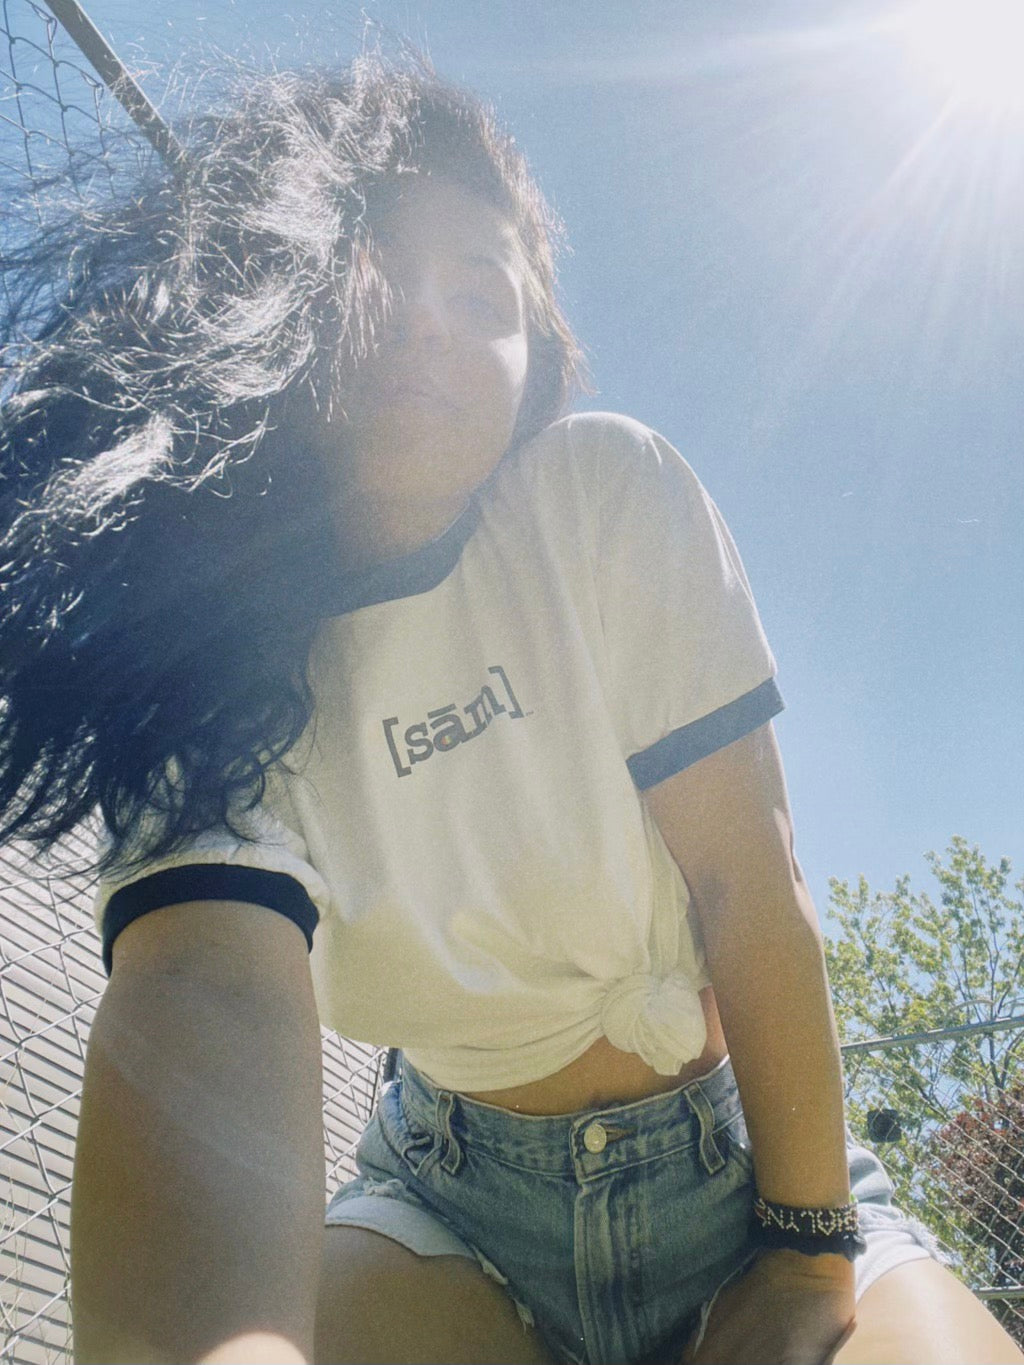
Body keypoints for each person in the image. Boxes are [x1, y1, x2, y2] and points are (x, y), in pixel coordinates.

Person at [1, 51, 1020, 1365]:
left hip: (749, 1174)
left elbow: (749, 883)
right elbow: (205, 980)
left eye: (483, 285)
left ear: (539, 354)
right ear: (281, 279)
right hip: (449, 1200)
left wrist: (809, 1246)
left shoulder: (605, 492)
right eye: (380, 265)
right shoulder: (187, 635)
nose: (432, 315)